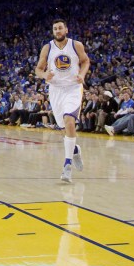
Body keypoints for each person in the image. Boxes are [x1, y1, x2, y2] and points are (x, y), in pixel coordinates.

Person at [35, 19, 90, 183]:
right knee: (63, 126)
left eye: (60, 28)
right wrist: (44, 75)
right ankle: (75, 150)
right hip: (56, 90)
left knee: (69, 121)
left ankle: (67, 166)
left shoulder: (76, 45)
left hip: (73, 88)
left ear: (66, 30)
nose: (58, 31)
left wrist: (82, 75)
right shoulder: (47, 48)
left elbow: (85, 61)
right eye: (55, 29)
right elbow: (38, 69)